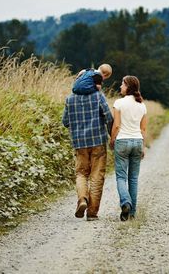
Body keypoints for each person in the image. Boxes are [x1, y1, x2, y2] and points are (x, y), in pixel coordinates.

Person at [62, 68, 113, 221]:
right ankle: (92, 213)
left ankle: (82, 199)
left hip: (79, 143)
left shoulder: (70, 98)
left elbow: (65, 122)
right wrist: (112, 136)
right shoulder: (98, 96)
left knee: (81, 173)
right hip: (98, 141)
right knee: (97, 176)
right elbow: (108, 116)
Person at [110, 75, 147, 221]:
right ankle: (132, 213)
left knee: (121, 176)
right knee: (133, 178)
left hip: (123, 141)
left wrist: (112, 140)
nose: (120, 87)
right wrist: (143, 147)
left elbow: (117, 125)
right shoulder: (142, 105)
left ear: (128, 87)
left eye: (122, 84)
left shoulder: (119, 103)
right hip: (137, 141)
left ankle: (125, 202)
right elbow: (143, 129)